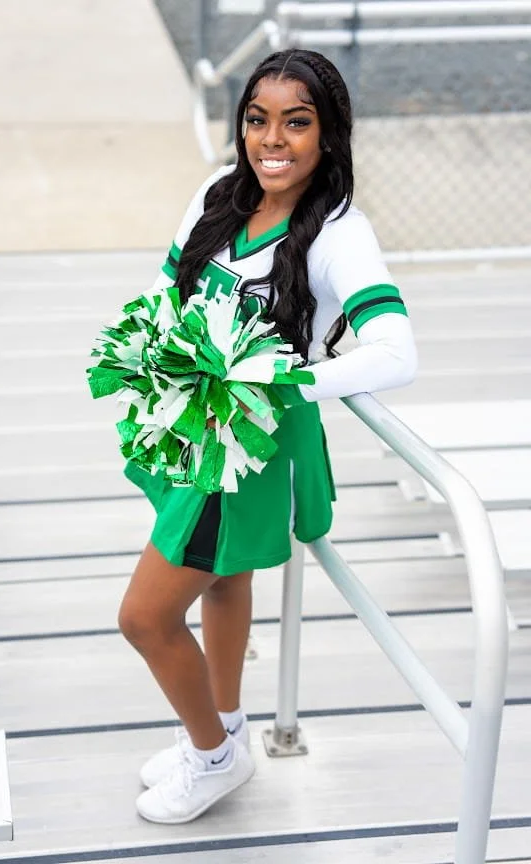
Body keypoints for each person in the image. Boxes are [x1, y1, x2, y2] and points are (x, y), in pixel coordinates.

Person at [115, 48, 417, 825]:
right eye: (258, 119)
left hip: (249, 452)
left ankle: (212, 757)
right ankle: (223, 733)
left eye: (296, 122)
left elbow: (396, 350)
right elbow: (165, 286)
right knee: (222, 580)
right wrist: (148, 356)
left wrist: (283, 381)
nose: (272, 140)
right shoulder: (219, 193)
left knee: (145, 618)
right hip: (192, 424)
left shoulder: (340, 231)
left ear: (328, 134)